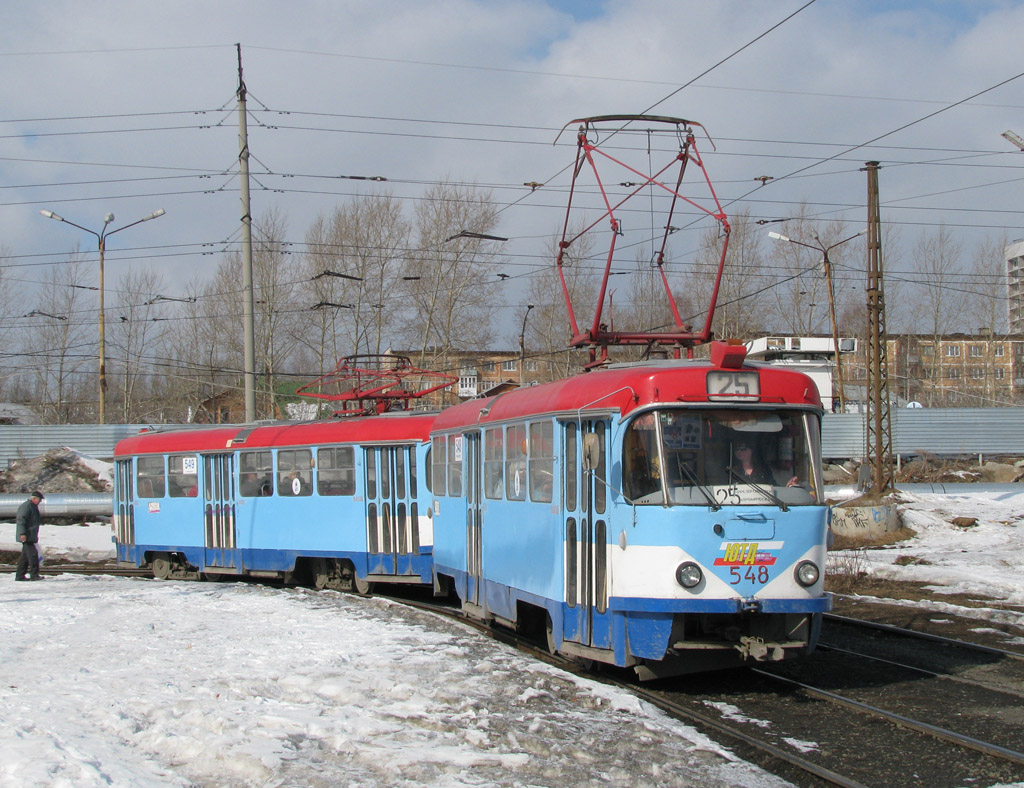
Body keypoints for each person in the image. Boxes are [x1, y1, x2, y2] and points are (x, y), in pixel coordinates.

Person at [15, 490, 44, 582]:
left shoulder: (33, 507)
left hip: (30, 536)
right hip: (26, 536)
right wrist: (22, 534)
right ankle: (34, 575)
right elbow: (21, 521)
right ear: (34, 498)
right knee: (33, 555)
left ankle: (20, 576)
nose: (40, 502)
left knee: (25, 557)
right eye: (39, 500)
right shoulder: (27, 506)